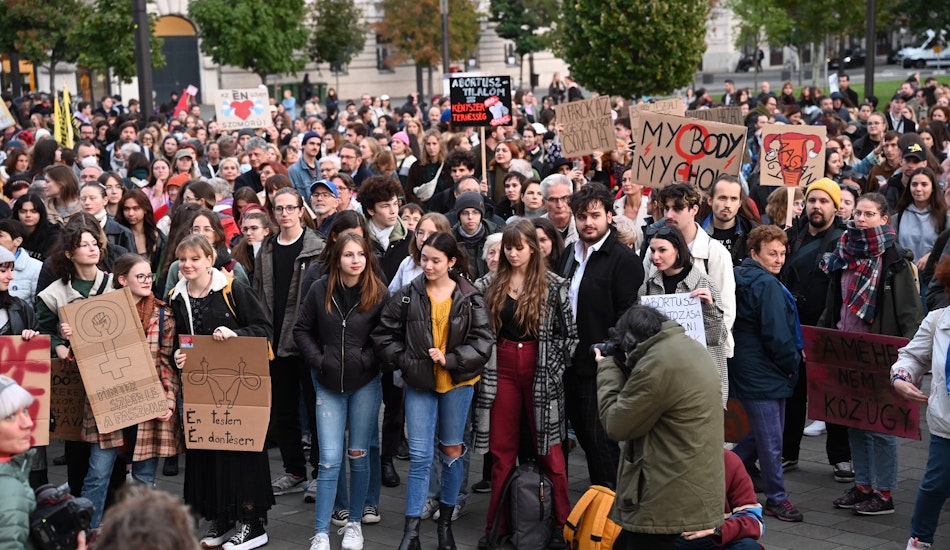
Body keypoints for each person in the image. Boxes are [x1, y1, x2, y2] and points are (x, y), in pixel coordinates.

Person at [373, 233, 493, 550]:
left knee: (452, 451)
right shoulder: (407, 294)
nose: (427, 265)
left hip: (457, 383)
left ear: (451, 262)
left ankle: (444, 527)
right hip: (420, 382)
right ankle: (410, 534)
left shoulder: (469, 294)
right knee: (421, 457)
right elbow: (384, 334)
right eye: (424, 258)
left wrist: (451, 359)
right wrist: (406, 360)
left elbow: (483, 343)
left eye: (435, 260)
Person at [476, 220, 577, 547]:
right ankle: (497, 525)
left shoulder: (554, 284)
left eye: (519, 247)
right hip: (501, 365)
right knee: (501, 452)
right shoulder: (489, 283)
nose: (513, 253)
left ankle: (563, 525)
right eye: (508, 247)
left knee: (550, 450)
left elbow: (571, 337)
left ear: (533, 247)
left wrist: (554, 367)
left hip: (541, 367)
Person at [821, 192, 923, 515]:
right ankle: (863, 485)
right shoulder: (843, 254)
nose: (860, 219)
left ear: (883, 219)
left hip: (880, 355)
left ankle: (884, 492)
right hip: (847, 350)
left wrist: (909, 361)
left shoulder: (895, 262)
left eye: (868, 214)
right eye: (858, 214)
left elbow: (910, 315)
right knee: (855, 422)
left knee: (881, 427)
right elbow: (832, 305)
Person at [170, 234, 274, 550]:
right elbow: (179, 340)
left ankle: (253, 524)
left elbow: (265, 330)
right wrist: (177, 356)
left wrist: (236, 334)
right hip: (201, 388)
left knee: (241, 452)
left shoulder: (233, 290)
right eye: (183, 259)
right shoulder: (177, 296)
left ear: (209, 259)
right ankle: (223, 518)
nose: (188, 265)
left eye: (195, 259)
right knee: (206, 451)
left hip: (239, 386)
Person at [596, 305, 724, 550]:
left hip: (666, 492)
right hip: (687, 481)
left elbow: (617, 425)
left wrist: (608, 367)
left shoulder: (657, 364)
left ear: (631, 341)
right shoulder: (685, 346)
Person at [295, 234, 389, 550]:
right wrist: (320, 361)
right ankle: (321, 531)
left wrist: (366, 359)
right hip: (328, 383)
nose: (355, 260)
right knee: (330, 460)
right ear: (337, 258)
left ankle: (353, 525)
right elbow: (301, 330)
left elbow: (386, 335)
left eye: (360, 254)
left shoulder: (378, 291)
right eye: (348, 254)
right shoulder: (320, 288)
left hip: (365, 384)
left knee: (359, 455)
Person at [35, 224, 122, 526]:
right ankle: (81, 522)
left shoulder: (116, 284)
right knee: (77, 454)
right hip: (74, 383)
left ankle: (110, 519)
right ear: (70, 254)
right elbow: (42, 331)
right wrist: (59, 343)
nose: (93, 248)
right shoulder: (54, 293)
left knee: (113, 457)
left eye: (95, 243)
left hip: (114, 378)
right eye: (84, 245)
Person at [557, 183, 641, 488]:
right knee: (575, 435)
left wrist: (608, 351)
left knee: (599, 443)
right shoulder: (569, 253)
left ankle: (611, 517)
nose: (588, 222)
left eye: (595, 215)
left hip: (599, 366)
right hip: (566, 363)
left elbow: (626, 316)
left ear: (609, 216)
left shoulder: (623, 259)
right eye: (581, 216)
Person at [253, 188, 324, 499]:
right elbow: (257, 295)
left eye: (289, 208)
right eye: (278, 208)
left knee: (315, 407)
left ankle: (321, 472)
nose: (284, 213)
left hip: (307, 341)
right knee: (283, 410)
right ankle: (294, 470)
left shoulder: (316, 248)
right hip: (274, 340)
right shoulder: (266, 249)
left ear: (300, 210)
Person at [730, 225, 805, 522]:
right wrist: (791, 365)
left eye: (782, 253)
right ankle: (777, 498)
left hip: (752, 367)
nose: (778, 259)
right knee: (772, 440)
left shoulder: (741, 277)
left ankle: (717, 476)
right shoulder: (766, 284)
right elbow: (777, 334)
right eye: (771, 253)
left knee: (757, 436)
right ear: (754, 253)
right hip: (764, 371)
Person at [780, 179, 852, 478]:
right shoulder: (789, 236)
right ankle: (787, 453)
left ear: (836, 207)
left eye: (824, 201)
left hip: (827, 328)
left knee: (831, 395)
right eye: (812, 200)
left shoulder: (844, 241)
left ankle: (840, 457)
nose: (817, 206)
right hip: (790, 327)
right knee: (792, 394)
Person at [892, 255, 950, 549]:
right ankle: (919, 540)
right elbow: (912, 356)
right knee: (936, 485)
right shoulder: (938, 320)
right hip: (946, 422)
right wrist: (901, 378)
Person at [640, 225, 729, 407]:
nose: (655, 256)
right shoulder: (648, 288)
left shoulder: (704, 283)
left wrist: (710, 308)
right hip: (663, 379)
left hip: (699, 379)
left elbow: (717, 338)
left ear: (679, 251)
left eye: (662, 250)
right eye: (652, 250)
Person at [389, 212, 452, 293]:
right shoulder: (408, 263)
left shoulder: (452, 267)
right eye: (420, 233)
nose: (424, 238)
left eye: (431, 234)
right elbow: (393, 294)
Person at [0, 219, 42, 303]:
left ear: (17, 241)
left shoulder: (36, 267)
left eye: (0, 236)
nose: (10, 276)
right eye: (3, 270)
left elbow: (38, 306)